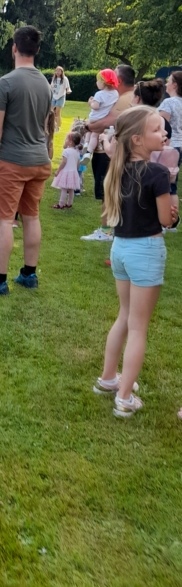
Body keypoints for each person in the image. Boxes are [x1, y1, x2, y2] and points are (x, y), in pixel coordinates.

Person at [93, 106, 177, 417]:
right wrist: (173, 214)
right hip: (146, 252)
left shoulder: (117, 169)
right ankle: (125, 397)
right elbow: (165, 221)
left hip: (121, 250)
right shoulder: (157, 173)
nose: (163, 133)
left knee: (124, 316)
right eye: (156, 129)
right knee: (138, 327)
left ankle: (108, 378)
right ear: (137, 140)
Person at [0, 25, 51, 295]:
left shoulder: (6, 83)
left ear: (14, 48)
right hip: (39, 159)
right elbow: (45, 125)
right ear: (37, 50)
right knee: (31, 216)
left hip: (12, 161)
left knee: (4, 220)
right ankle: (29, 274)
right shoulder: (45, 83)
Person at [82, 64, 136, 241]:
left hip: (111, 150)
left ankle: (106, 230)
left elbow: (107, 122)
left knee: (107, 190)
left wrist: (87, 126)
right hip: (117, 148)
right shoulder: (125, 96)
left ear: (118, 80)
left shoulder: (123, 99)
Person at [81, 69, 120, 161]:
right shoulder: (115, 93)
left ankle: (86, 144)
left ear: (104, 82)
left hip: (94, 118)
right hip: (104, 118)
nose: (96, 82)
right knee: (94, 135)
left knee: (89, 131)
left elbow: (96, 106)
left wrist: (90, 102)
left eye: (98, 80)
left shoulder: (99, 94)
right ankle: (89, 153)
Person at [158, 70, 182, 213]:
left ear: (175, 85)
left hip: (170, 146)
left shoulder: (169, 103)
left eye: (169, 81)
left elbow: (162, 126)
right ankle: (173, 217)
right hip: (180, 145)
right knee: (173, 183)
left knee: (165, 184)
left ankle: (166, 216)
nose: (166, 84)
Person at [51, 132, 82, 209]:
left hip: (66, 172)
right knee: (71, 189)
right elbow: (78, 163)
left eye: (66, 139)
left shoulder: (66, 151)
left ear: (70, 142)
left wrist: (58, 170)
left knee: (64, 188)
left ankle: (61, 204)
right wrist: (76, 171)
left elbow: (64, 162)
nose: (65, 140)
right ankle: (69, 203)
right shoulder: (77, 152)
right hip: (73, 172)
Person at [50, 66, 71, 130]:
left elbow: (68, 88)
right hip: (54, 97)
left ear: (62, 72)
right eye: (56, 71)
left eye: (59, 71)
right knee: (51, 111)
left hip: (61, 97)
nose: (57, 72)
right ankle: (53, 125)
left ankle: (58, 127)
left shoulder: (65, 79)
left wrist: (68, 91)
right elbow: (51, 87)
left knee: (57, 112)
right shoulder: (54, 79)